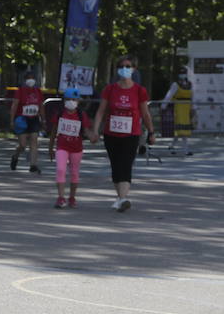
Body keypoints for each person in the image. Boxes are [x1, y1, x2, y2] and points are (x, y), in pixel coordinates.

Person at [89, 54, 154, 212]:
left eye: (128, 66)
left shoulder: (140, 91)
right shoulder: (110, 89)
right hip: (111, 134)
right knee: (116, 166)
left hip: (131, 135)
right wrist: (95, 130)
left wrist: (151, 132)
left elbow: (145, 114)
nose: (124, 69)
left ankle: (124, 198)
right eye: (121, 66)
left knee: (126, 165)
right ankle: (120, 198)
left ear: (134, 69)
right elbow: (101, 111)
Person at [52, 87, 91, 208]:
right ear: (64, 100)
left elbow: (86, 130)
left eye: (74, 99)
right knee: (61, 170)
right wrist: (50, 146)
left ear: (78, 101)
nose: (71, 102)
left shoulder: (81, 115)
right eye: (68, 99)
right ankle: (61, 197)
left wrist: (93, 135)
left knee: (74, 173)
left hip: (76, 148)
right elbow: (54, 131)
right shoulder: (60, 114)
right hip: (62, 146)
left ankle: (72, 197)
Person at [10, 70, 44, 173]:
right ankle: (15, 156)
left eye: (33, 78)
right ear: (25, 80)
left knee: (34, 141)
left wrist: (43, 118)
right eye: (29, 78)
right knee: (23, 144)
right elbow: (14, 106)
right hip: (22, 119)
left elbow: (41, 106)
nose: (31, 80)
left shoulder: (38, 91)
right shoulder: (20, 91)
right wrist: (12, 120)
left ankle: (33, 165)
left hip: (34, 119)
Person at [161, 69, 194, 156]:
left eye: (184, 73)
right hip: (179, 108)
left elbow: (192, 97)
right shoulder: (175, 84)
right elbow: (169, 95)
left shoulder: (190, 84)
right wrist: (163, 106)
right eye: (181, 73)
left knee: (181, 130)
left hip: (187, 108)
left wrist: (193, 108)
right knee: (182, 130)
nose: (183, 75)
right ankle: (186, 150)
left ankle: (172, 146)